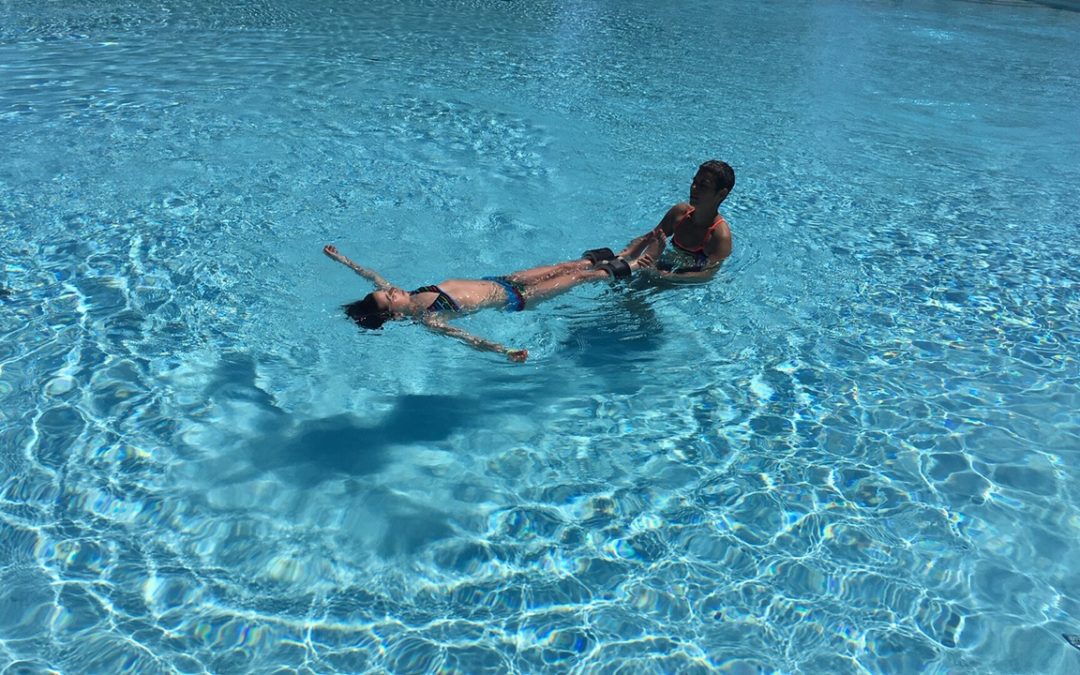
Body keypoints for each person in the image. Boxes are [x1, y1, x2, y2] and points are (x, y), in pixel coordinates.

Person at [323, 236, 660, 362]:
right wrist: (505, 350)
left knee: (565, 265)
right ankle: (630, 265)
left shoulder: (407, 294)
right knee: (578, 278)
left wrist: (343, 260)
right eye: (388, 297)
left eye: (387, 290)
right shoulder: (429, 318)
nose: (391, 290)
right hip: (517, 299)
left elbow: (372, 276)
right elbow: (467, 338)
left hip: (502, 280)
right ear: (395, 315)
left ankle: (622, 250)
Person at [628, 160, 735, 278]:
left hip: (678, 284)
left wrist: (662, 275)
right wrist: (625, 255)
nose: (694, 188)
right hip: (659, 267)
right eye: (694, 181)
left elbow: (707, 276)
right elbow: (648, 238)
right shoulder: (680, 213)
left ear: (721, 194)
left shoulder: (720, 237)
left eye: (703, 186)